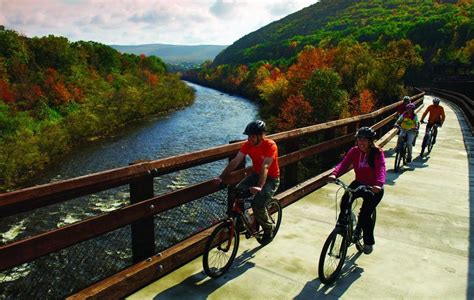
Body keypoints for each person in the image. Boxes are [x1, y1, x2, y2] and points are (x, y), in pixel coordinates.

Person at [216, 120, 280, 245]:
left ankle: (269, 229)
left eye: (252, 136)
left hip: (271, 178)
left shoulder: (270, 145)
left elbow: (265, 166)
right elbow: (235, 161)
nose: (249, 138)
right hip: (256, 175)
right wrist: (221, 177)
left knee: (258, 204)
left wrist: (260, 187)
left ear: (260, 135)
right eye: (248, 136)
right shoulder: (248, 145)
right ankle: (240, 224)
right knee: (237, 191)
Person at [328, 127, 386, 254]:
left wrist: (379, 184)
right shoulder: (354, 151)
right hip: (359, 182)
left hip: (373, 188)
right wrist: (335, 174)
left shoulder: (377, 153)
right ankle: (342, 226)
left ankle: (368, 242)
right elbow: (344, 163)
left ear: (371, 141)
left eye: (364, 140)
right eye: (359, 139)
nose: (361, 142)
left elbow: (381, 169)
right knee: (345, 200)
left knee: (365, 215)